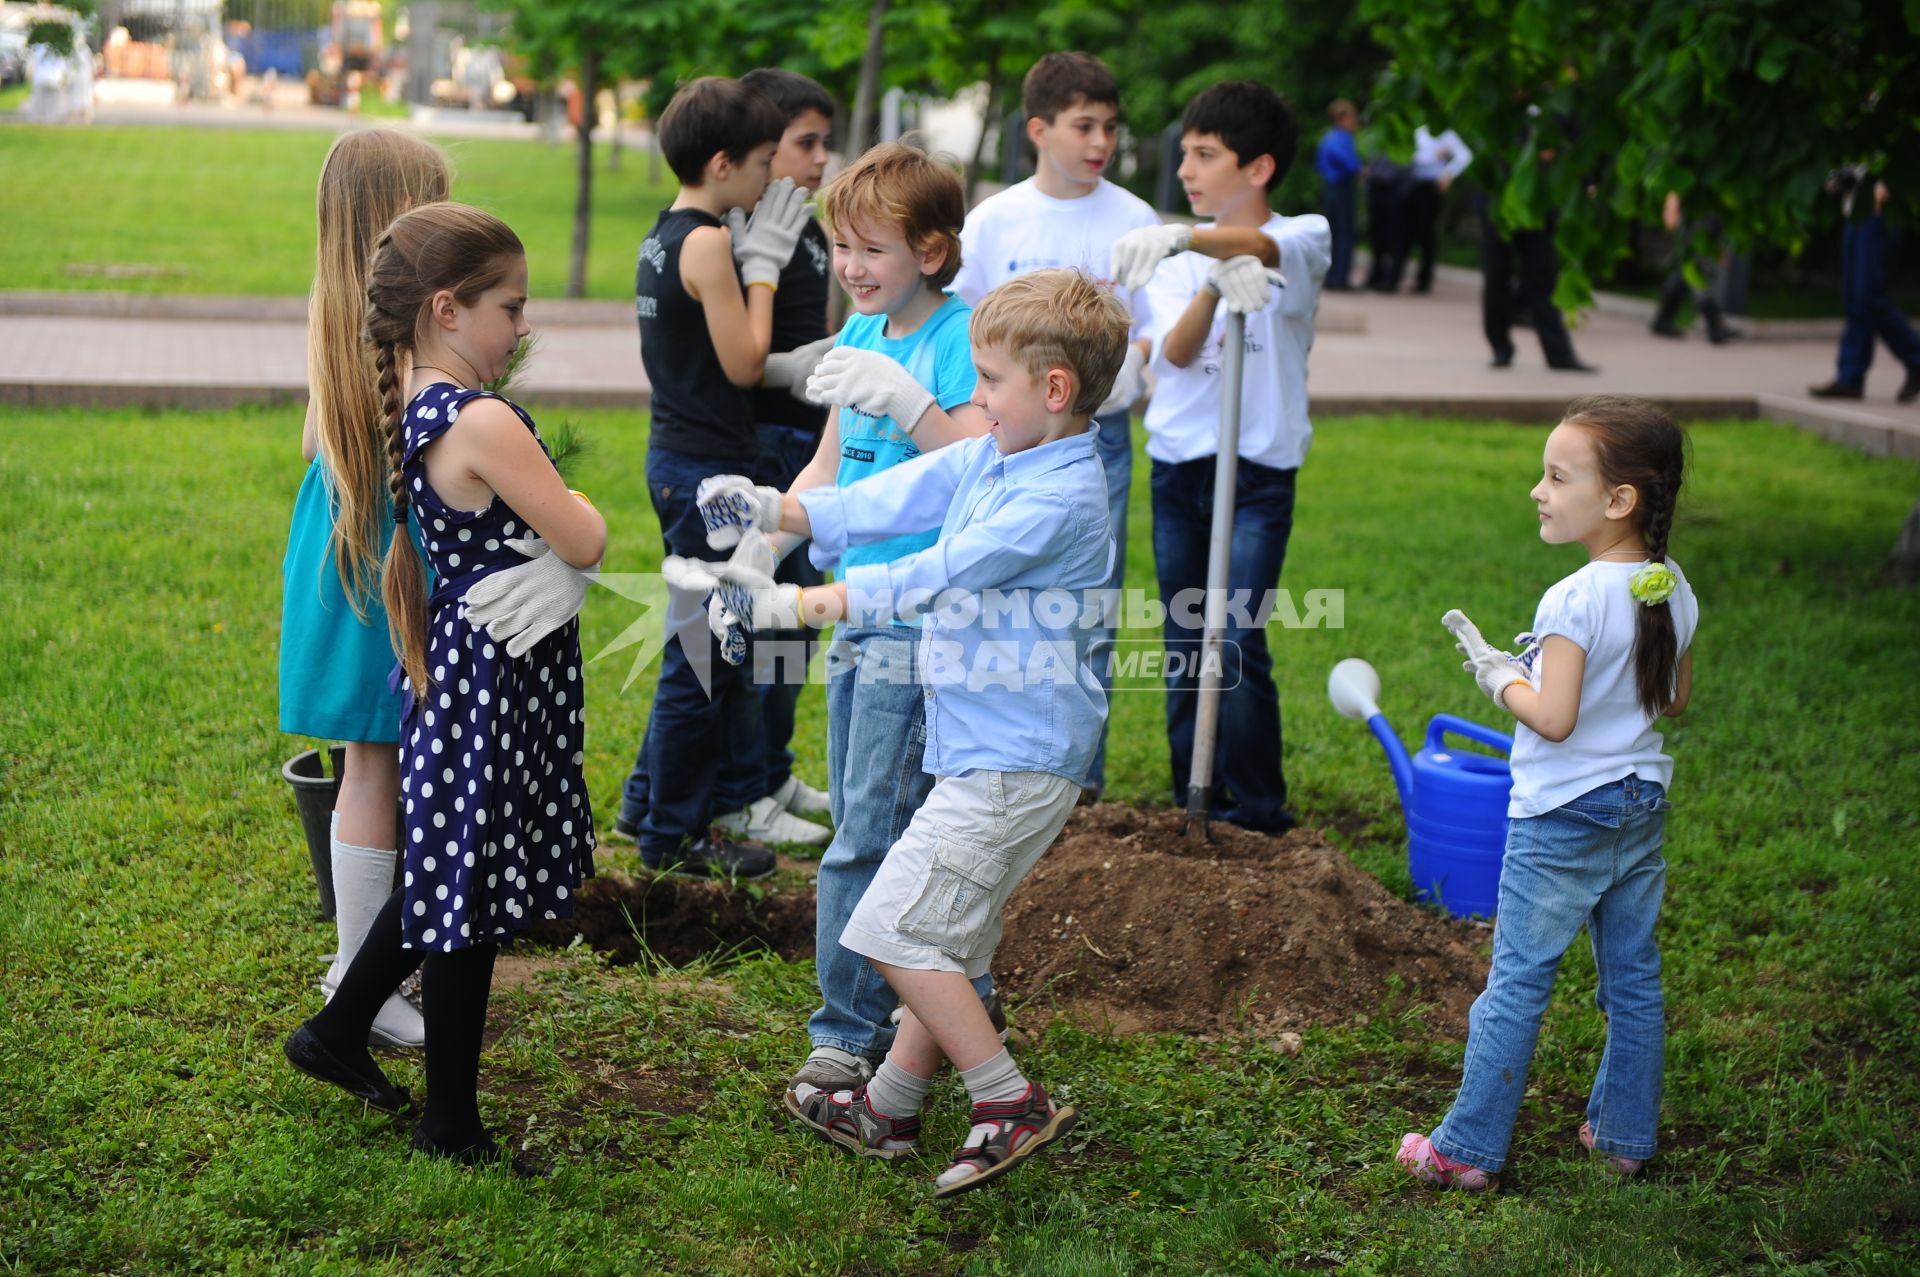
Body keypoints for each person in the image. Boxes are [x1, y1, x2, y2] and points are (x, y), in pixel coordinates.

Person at [688, 269, 1130, 1197]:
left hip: (1017, 759)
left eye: (989, 383)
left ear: (1054, 389)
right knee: (949, 931)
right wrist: (778, 512)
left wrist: (801, 602)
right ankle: (888, 1105)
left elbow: (938, 569)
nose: (974, 400)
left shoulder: (1059, 495)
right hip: (988, 749)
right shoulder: (999, 454)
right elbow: (897, 496)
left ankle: (1007, 1099)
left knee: (892, 923)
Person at [283, 203, 605, 1174]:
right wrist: (580, 549)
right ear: (447, 309)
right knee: (465, 888)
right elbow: (585, 533)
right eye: (511, 305)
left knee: (451, 871)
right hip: (497, 674)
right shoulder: (483, 418)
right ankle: (449, 1122)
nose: (523, 326)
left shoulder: (416, 399)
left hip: (472, 663)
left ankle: (341, 1032)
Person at [698, 141, 995, 1101]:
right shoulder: (861, 335)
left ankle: (850, 1031)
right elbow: (827, 468)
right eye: (842, 249)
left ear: (935, 252)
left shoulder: (958, 341)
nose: (854, 268)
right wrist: (757, 540)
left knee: (877, 832)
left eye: (874, 249)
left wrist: (913, 404)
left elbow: (980, 475)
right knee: (880, 823)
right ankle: (931, 1014)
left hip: (924, 621)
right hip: (859, 616)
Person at [1399, 394, 1698, 1192]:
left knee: (1518, 981)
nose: (1538, 488)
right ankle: (1624, 1137)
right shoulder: (1668, 585)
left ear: (1618, 499)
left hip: (1562, 815)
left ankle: (1466, 1147)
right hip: (1640, 806)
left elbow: (1555, 719)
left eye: (1557, 476)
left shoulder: (1571, 598)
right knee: (1633, 981)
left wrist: (1503, 678)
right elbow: (1673, 700)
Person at [1110, 80, 1330, 835]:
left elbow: (1266, 249)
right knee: (1185, 632)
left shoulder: (1307, 235)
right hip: (1181, 469)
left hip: (1259, 474)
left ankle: (1258, 808)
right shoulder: (1180, 255)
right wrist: (1205, 282)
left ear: (1259, 167)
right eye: (1184, 155)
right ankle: (1192, 793)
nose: (1187, 172)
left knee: (1234, 632)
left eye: (1206, 155)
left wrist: (1192, 239)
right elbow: (1172, 353)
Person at [949, 50, 1161, 801]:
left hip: (1097, 440)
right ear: (1039, 128)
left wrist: (1129, 366)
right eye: (1083, 125)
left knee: (1085, 608)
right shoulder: (997, 218)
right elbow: (965, 324)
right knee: (1002, 596)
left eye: (1109, 125)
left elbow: (1153, 331)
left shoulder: (1135, 219)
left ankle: (1080, 784)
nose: (1100, 141)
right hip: (1004, 438)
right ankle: (997, 761)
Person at [280, 129, 450, 1052]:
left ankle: (362, 956)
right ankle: (360, 969)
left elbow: (312, 440)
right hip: (388, 545)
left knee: (367, 763)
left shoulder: (332, 300)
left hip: (340, 534)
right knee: (381, 766)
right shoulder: (411, 318)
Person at [609, 77, 804, 877]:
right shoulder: (709, 242)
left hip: (675, 457)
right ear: (723, 164)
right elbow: (746, 361)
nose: (769, 180)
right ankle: (674, 837)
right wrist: (764, 271)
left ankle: (646, 806)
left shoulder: (662, 232)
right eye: (763, 163)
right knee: (706, 654)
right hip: (707, 472)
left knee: (695, 642)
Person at [1479, 114, 1597, 373]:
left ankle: (1559, 354)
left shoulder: (1556, 107)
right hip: (1500, 202)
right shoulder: (1498, 102)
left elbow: (1578, 143)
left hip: (1543, 204)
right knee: (1496, 275)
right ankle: (1500, 347)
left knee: (1544, 276)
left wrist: (1586, 181)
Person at [1809, 174, 1920, 404]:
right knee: (1854, 299)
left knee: (1867, 296)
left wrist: (1887, 184)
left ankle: (1915, 358)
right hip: (1855, 211)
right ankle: (1850, 378)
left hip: (1878, 212)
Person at [1649, 191, 1741, 344]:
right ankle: (1715, 327)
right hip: (1700, 216)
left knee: (1689, 269)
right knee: (1701, 268)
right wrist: (1672, 203)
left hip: (1709, 215)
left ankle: (1663, 319)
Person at [1404, 124, 1472, 294]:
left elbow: (1465, 156)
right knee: (1410, 231)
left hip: (1431, 187)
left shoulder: (1447, 133)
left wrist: (1448, 173)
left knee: (1426, 233)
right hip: (1414, 184)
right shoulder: (1420, 130)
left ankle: (1424, 279)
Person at [1316, 100, 1362, 292]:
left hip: (1330, 187)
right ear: (1344, 118)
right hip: (1343, 187)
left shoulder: (1327, 137)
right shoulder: (1343, 138)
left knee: (1333, 233)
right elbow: (1350, 164)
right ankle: (1340, 277)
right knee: (1344, 233)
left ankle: (1331, 275)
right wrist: (1362, 171)